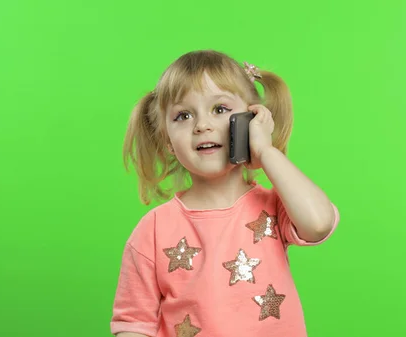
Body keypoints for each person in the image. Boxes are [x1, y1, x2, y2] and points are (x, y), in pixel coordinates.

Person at [111, 50, 340, 337]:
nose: (202, 125)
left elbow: (319, 223)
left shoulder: (272, 206)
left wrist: (265, 151)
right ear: (167, 140)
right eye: (183, 115)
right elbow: (134, 324)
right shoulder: (152, 231)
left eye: (220, 109)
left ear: (253, 118)